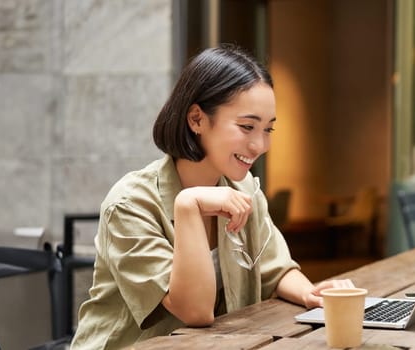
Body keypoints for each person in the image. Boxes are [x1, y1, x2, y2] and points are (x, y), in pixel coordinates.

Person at [71, 45, 355, 349]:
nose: (260, 145)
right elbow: (194, 310)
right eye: (247, 127)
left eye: (268, 129)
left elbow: (276, 269)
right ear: (196, 119)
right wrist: (189, 206)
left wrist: (311, 294)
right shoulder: (130, 204)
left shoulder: (244, 190)